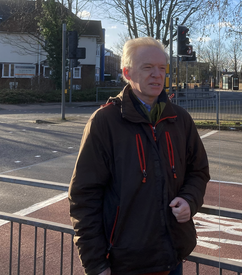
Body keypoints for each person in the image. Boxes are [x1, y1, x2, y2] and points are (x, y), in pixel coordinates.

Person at [69, 37, 210, 275]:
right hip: (124, 264)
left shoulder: (180, 119)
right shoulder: (104, 122)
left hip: (171, 258)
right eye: (147, 67)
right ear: (127, 72)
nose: (157, 75)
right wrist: (96, 264)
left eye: (162, 68)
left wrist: (189, 200)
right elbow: (84, 197)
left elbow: (198, 171)